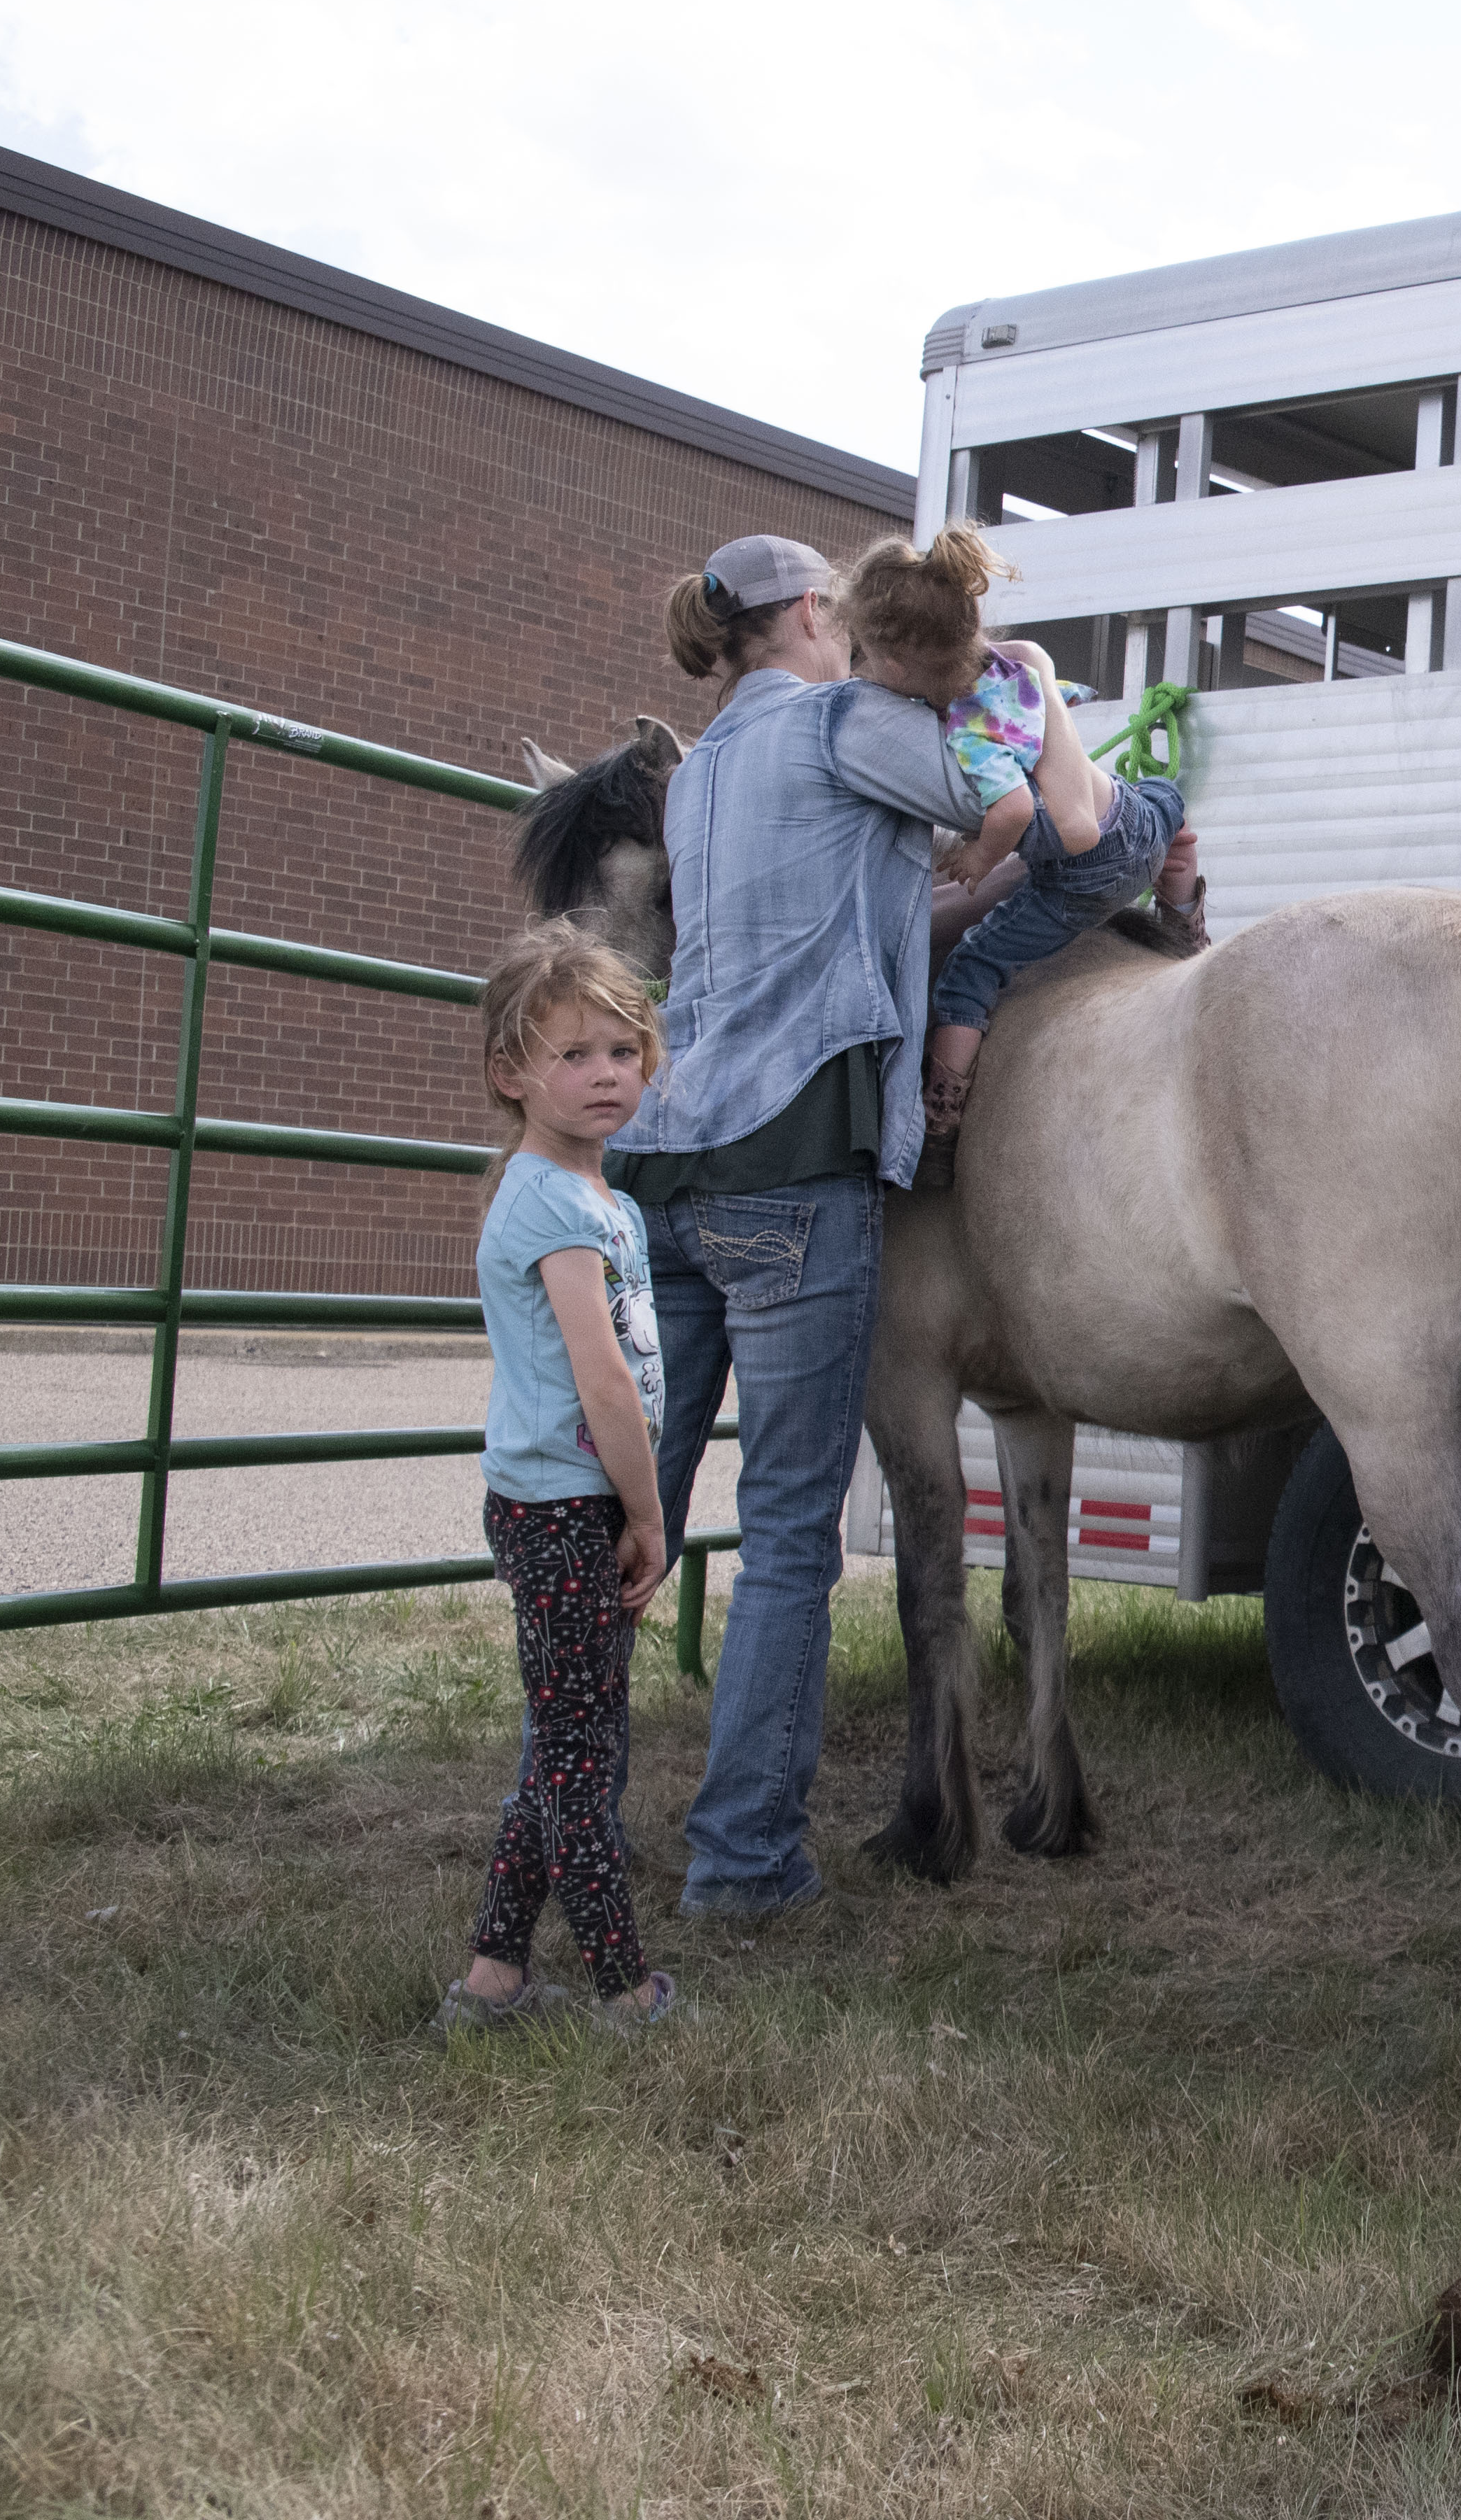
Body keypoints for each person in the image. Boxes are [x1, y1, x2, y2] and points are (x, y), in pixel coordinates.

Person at [612, 533, 992, 1919]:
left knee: (621, 1510)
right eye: (834, 615)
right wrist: (1006, 678)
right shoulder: (841, 723)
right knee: (784, 1532)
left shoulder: (700, 771)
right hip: (788, 1168)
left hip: (667, 1172)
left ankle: (567, 1814)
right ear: (805, 620)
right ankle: (744, 1861)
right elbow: (985, 790)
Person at [445, 922, 684, 2035]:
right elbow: (604, 1382)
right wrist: (645, 1510)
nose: (604, 1075)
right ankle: (625, 1993)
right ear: (513, 1075)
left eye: (622, 1052)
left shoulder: (607, 1204)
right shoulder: (547, 1202)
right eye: (575, 1054)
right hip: (561, 1515)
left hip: (582, 1512)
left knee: (567, 1739)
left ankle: (494, 1977)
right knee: (583, 1768)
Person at [831, 529, 1186, 1149]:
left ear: (890, 665)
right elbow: (1035, 674)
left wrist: (978, 856)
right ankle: (1183, 913)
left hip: (1082, 873)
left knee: (971, 968)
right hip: (1140, 823)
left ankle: (940, 1120)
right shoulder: (1014, 662)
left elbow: (1018, 808)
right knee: (1169, 799)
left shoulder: (970, 727)